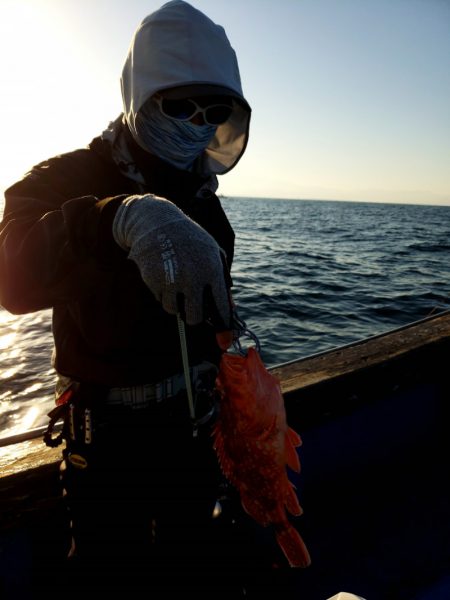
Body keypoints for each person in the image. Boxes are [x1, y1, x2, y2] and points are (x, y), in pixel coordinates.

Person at [0, 1, 252, 597]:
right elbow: (12, 281)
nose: (197, 121)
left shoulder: (203, 197)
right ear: (141, 96)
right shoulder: (61, 180)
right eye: (178, 103)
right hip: (107, 442)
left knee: (201, 570)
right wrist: (116, 218)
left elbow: (216, 320)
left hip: (199, 433)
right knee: (109, 577)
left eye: (214, 110)